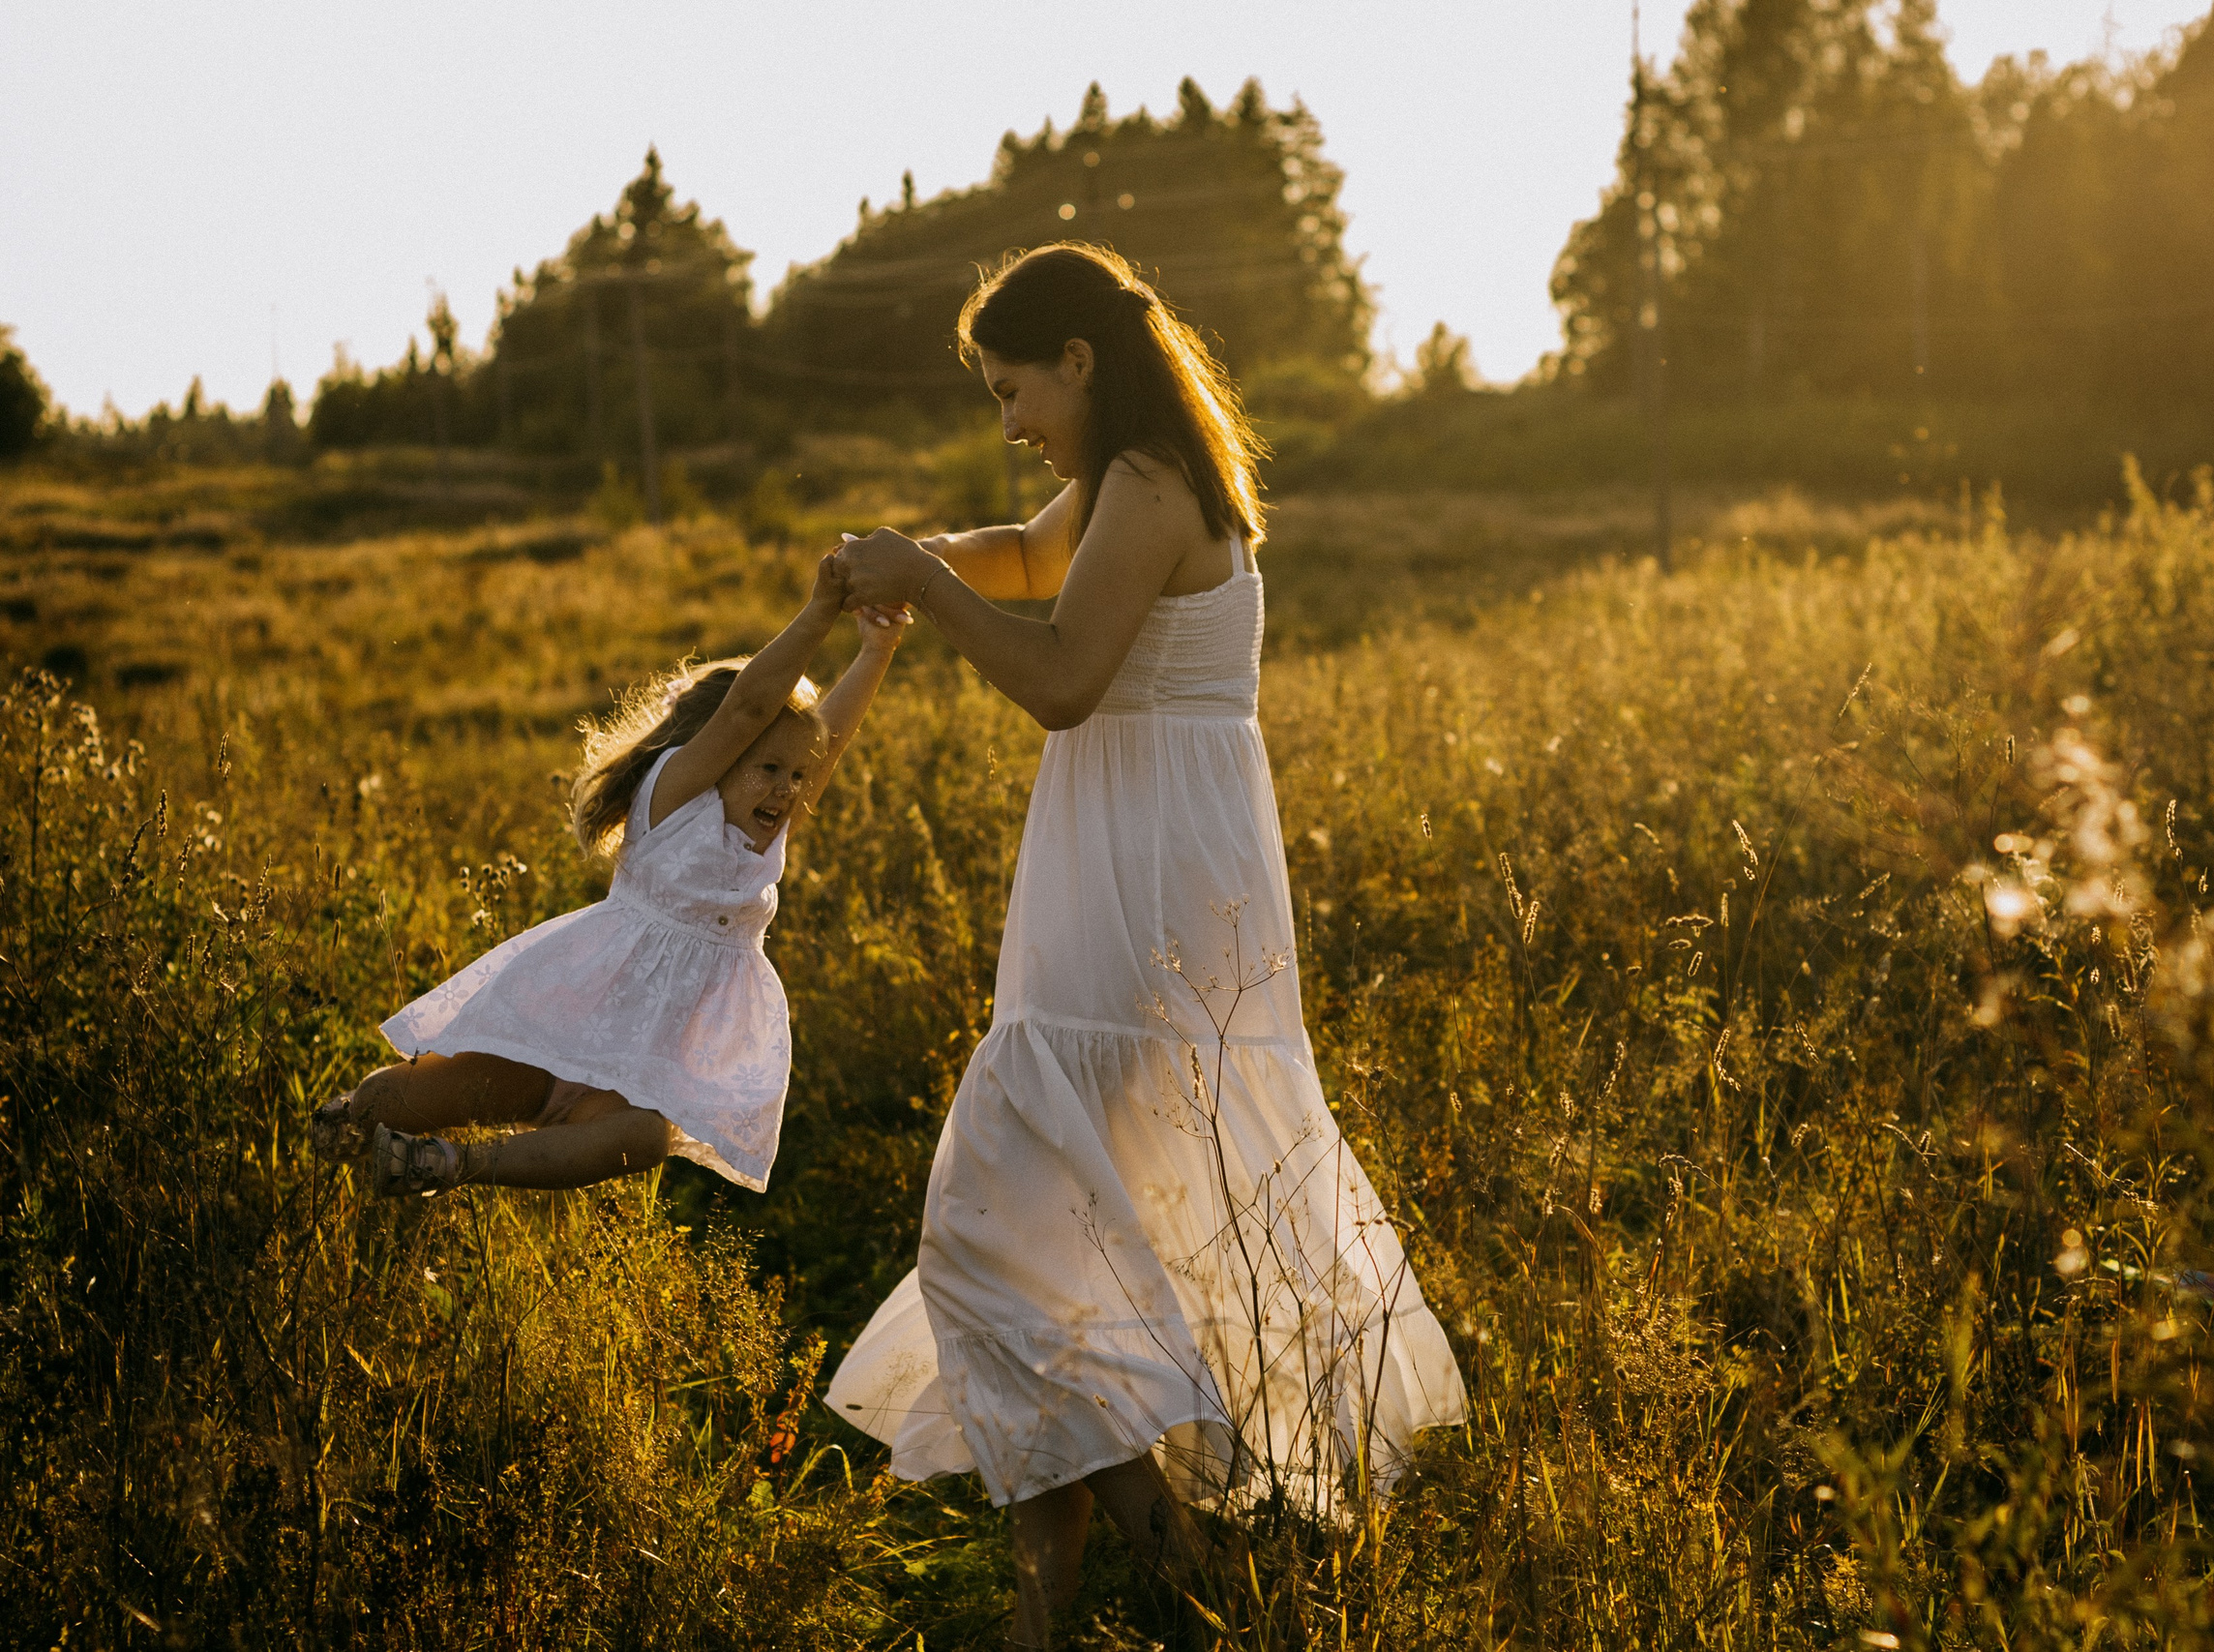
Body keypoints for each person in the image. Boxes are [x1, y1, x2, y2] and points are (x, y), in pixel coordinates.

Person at [822, 243, 1465, 1648]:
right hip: (1139, 854)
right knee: (1058, 1221)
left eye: (1013, 390)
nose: (1009, 424)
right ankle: (1058, 1599)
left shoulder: (1155, 480)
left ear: (1079, 361)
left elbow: (1058, 678)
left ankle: (1172, 1555)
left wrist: (925, 595)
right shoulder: (1129, 480)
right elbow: (1031, 561)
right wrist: (910, 559)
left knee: (1000, 1214)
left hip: (1145, 874)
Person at [311, 556, 907, 1197]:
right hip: (558, 1029)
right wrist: (820, 611)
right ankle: (339, 1123)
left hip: (624, 1080)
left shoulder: (760, 833)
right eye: (769, 769)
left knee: (643, 1139)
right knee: (400, 1102)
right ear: (716, 749)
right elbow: (748, 708)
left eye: (794, 774)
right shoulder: (675, 797)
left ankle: (446, 1166)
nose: (789, 789)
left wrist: (878, 648)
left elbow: (830, 739)